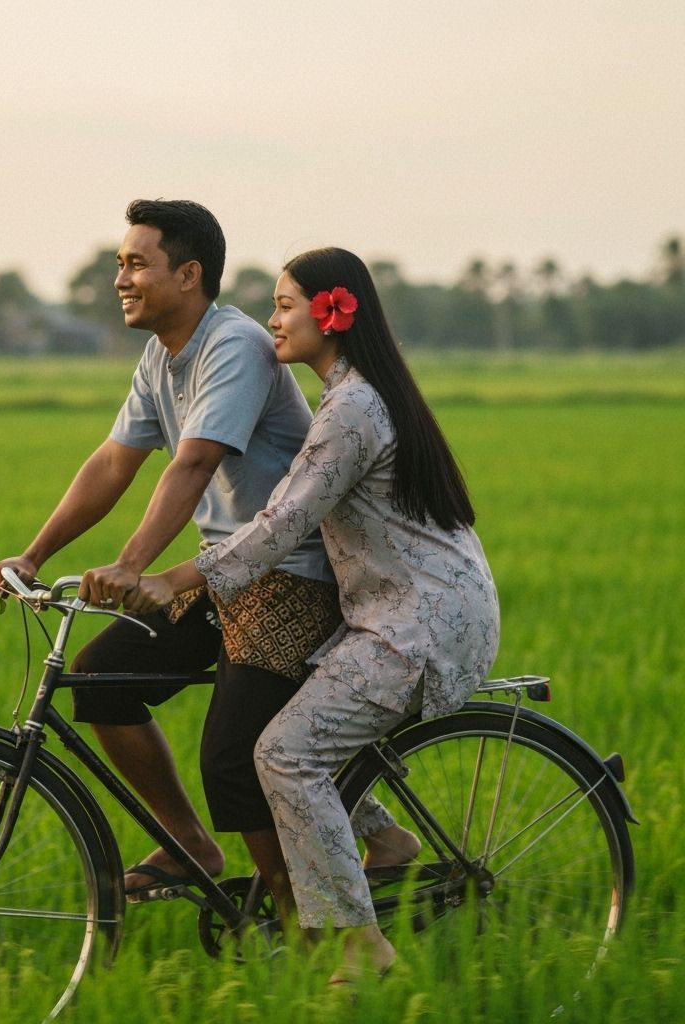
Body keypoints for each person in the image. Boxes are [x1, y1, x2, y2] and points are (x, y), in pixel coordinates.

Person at [124, 246, 501, 981]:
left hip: (416, 627)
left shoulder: (354, 408)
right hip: (401, 613)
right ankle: (386, 844)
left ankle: (360, 944)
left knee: (284, 754)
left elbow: (282, 521)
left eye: (286, 305)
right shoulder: (354, 396)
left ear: (334, 313)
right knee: (291, 729)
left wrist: (179, 579)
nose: (271, 321)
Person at [0, 199, 343, 901]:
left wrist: (128, 565)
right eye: (120, 263)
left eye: (136, 264)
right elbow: (113, 464)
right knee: (98, 681)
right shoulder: (160, 357)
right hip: (222, 576)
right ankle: (187, 844)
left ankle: (300, 922)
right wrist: (32, 555)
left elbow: (194, 461)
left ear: (189, 275)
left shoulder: (234, 346)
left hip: (290, 577)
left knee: (232, 756)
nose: (121, 278)